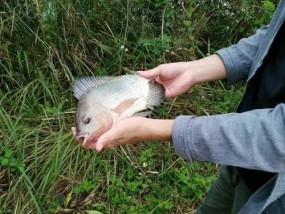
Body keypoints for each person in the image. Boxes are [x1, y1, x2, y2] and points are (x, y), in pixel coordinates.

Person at [73, 1, 285, 213]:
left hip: (271, 190)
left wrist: (154, 129)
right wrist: (193, 70)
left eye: (87, 121)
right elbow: (273, 37)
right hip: (237, 158)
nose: (86, 127)